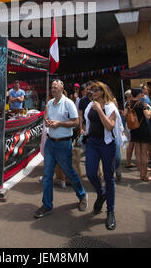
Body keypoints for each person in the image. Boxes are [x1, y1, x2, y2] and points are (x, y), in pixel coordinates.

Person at [34, 79, 87, 218]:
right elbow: (47, 116)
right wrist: (48, 121)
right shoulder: (50, 103)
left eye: (56, 87)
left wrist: (60, 124)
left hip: (63, 144)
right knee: (47, 176)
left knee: (69, 172)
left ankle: (82, 195)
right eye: (52, 87)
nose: (53, 90)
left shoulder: (68, 103)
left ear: (62, 88)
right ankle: (47, 205)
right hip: (50, 143)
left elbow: (76, 122)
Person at [84, 81, 123, 231]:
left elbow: (109, 126)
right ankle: (101, 194)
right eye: (91, 89)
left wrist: (100, 110)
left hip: (107, 144)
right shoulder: (90, 105)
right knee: (91, 173)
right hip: (92, 143)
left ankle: (110, 211)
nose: (92, 92)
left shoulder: (110, 106)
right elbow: (87, 121)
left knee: (109, 177)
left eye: (95, 89)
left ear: (102, 91)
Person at [124, 87, 151, 182]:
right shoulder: (142, 104)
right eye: (142, 93)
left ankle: (141, 172)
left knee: (138, 152)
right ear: (139, 94)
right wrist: (150, 109)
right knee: (144, 154)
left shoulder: (128, 104)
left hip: (134, 129)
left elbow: (124, 115)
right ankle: (144, 175)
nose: (143, 95)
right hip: (143, 130)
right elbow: (147, 116)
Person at [121, 90, 136, 169]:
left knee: (131, 144)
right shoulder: (129, 103)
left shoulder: (126, 103)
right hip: (132, 125)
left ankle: (128, 161)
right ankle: (128, 162)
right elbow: (124, 114)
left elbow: (124, 114)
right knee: (132, 144)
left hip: (129, 124)